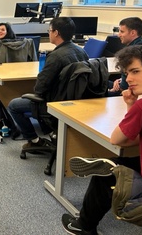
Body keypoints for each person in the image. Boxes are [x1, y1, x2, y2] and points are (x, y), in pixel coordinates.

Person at [61, 45, 142, 235]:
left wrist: (132, 105)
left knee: (108, 173)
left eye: (135, 71)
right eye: (126, 73)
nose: (129, 79)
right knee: (118, 163)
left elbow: (118, 139)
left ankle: (84, 227)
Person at [7, 17, 89, 146]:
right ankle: (52, 132)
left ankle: (34, 140)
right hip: (76, 100)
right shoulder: (82, 51)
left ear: (56, 33)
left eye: (49, 30)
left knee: (13, 105)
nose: (48, 33)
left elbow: (40, 88)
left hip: (55, 103)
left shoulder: (55, 56)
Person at [108, 17, 142, 96]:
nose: (119, 35)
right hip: (127, 86)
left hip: (128, 93)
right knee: (100, 82)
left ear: (133, 33)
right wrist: (120, 80)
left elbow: (125, 87)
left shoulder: (134, 53)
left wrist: (112, 90)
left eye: (122, 31)